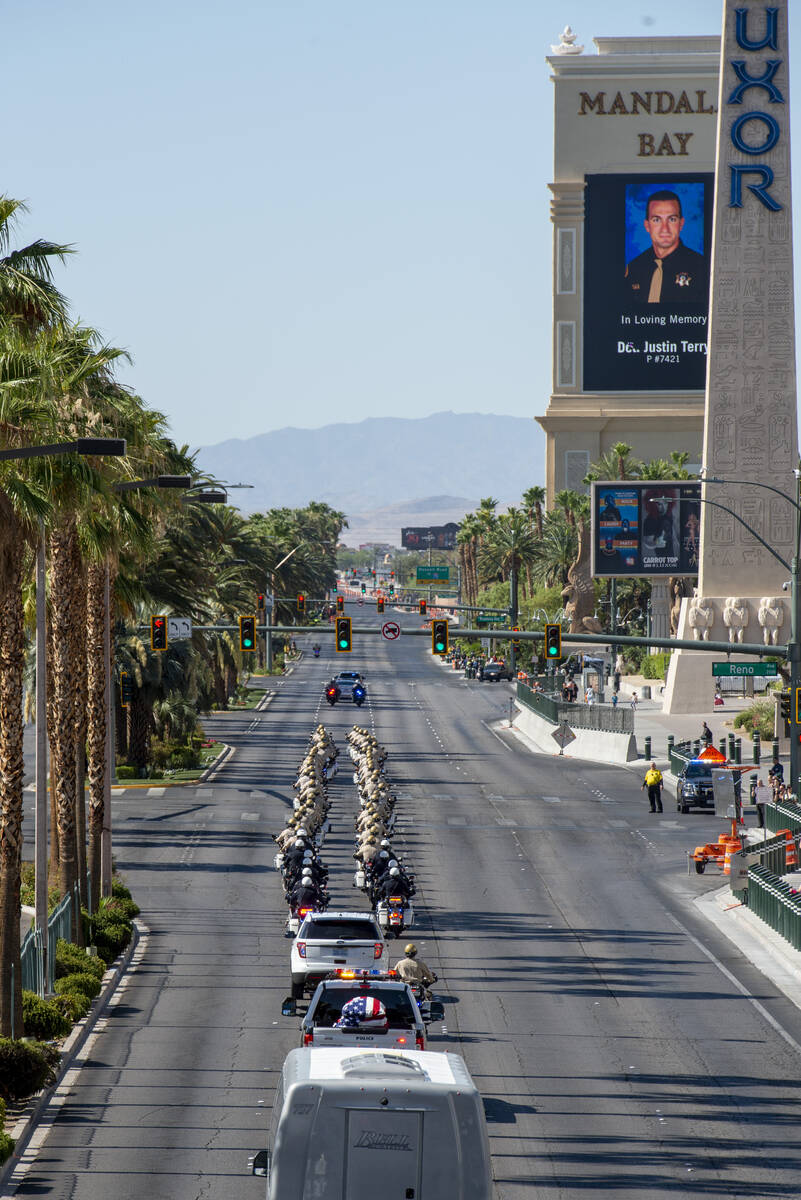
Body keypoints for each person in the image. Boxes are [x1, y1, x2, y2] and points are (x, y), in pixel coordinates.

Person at [624, 189, 708, 304]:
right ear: (647, 226)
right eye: (657, 220)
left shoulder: (702, 267)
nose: (665, 229)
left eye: (672, 219)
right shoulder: (634, 269)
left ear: (681, 224)